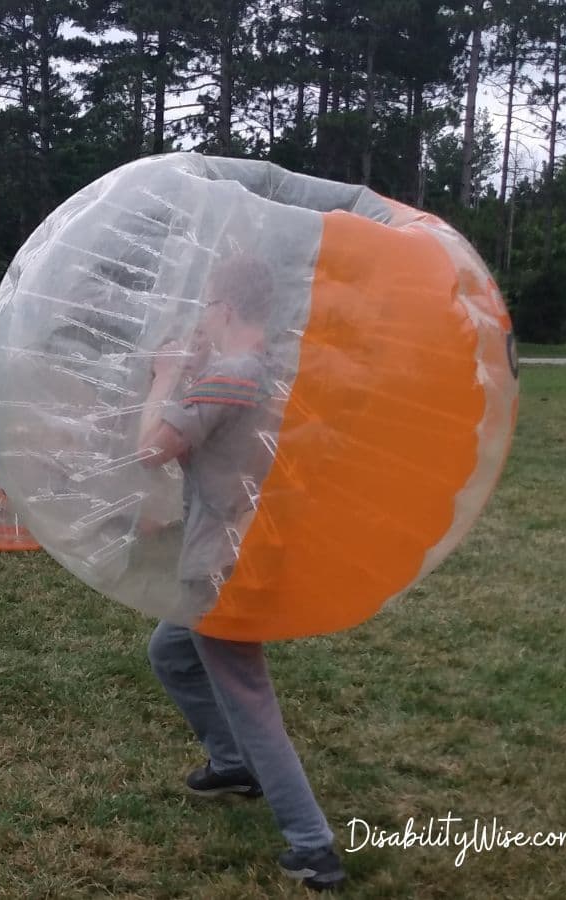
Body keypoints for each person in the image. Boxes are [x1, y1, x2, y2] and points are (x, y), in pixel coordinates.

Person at [136, 254, 346, 892]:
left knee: (250, 700)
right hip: (252, 548)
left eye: (206, 305)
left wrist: (166, 376)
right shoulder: (269, 371)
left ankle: (313, 846)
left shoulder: (227, 377)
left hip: (221, 564)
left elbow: (150, 447)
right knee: (171, 653)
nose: (201, 317)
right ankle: (231, 763)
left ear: (225, 309)